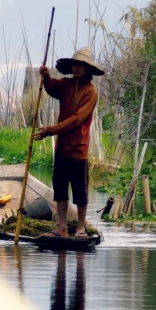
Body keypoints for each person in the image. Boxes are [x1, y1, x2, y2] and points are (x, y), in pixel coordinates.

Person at [33, 47, 104, 237]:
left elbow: (76, 119)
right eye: (75, 64)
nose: (77, 68)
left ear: (88, 69)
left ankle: (80, 228)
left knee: (80, 193)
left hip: (78, 150)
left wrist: (51, 130)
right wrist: (46, 77)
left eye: (81, 65)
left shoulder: (91, 92)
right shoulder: (66, 85)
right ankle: (62, 228)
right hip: (62, 149)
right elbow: (52, 87)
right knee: (61, 189)